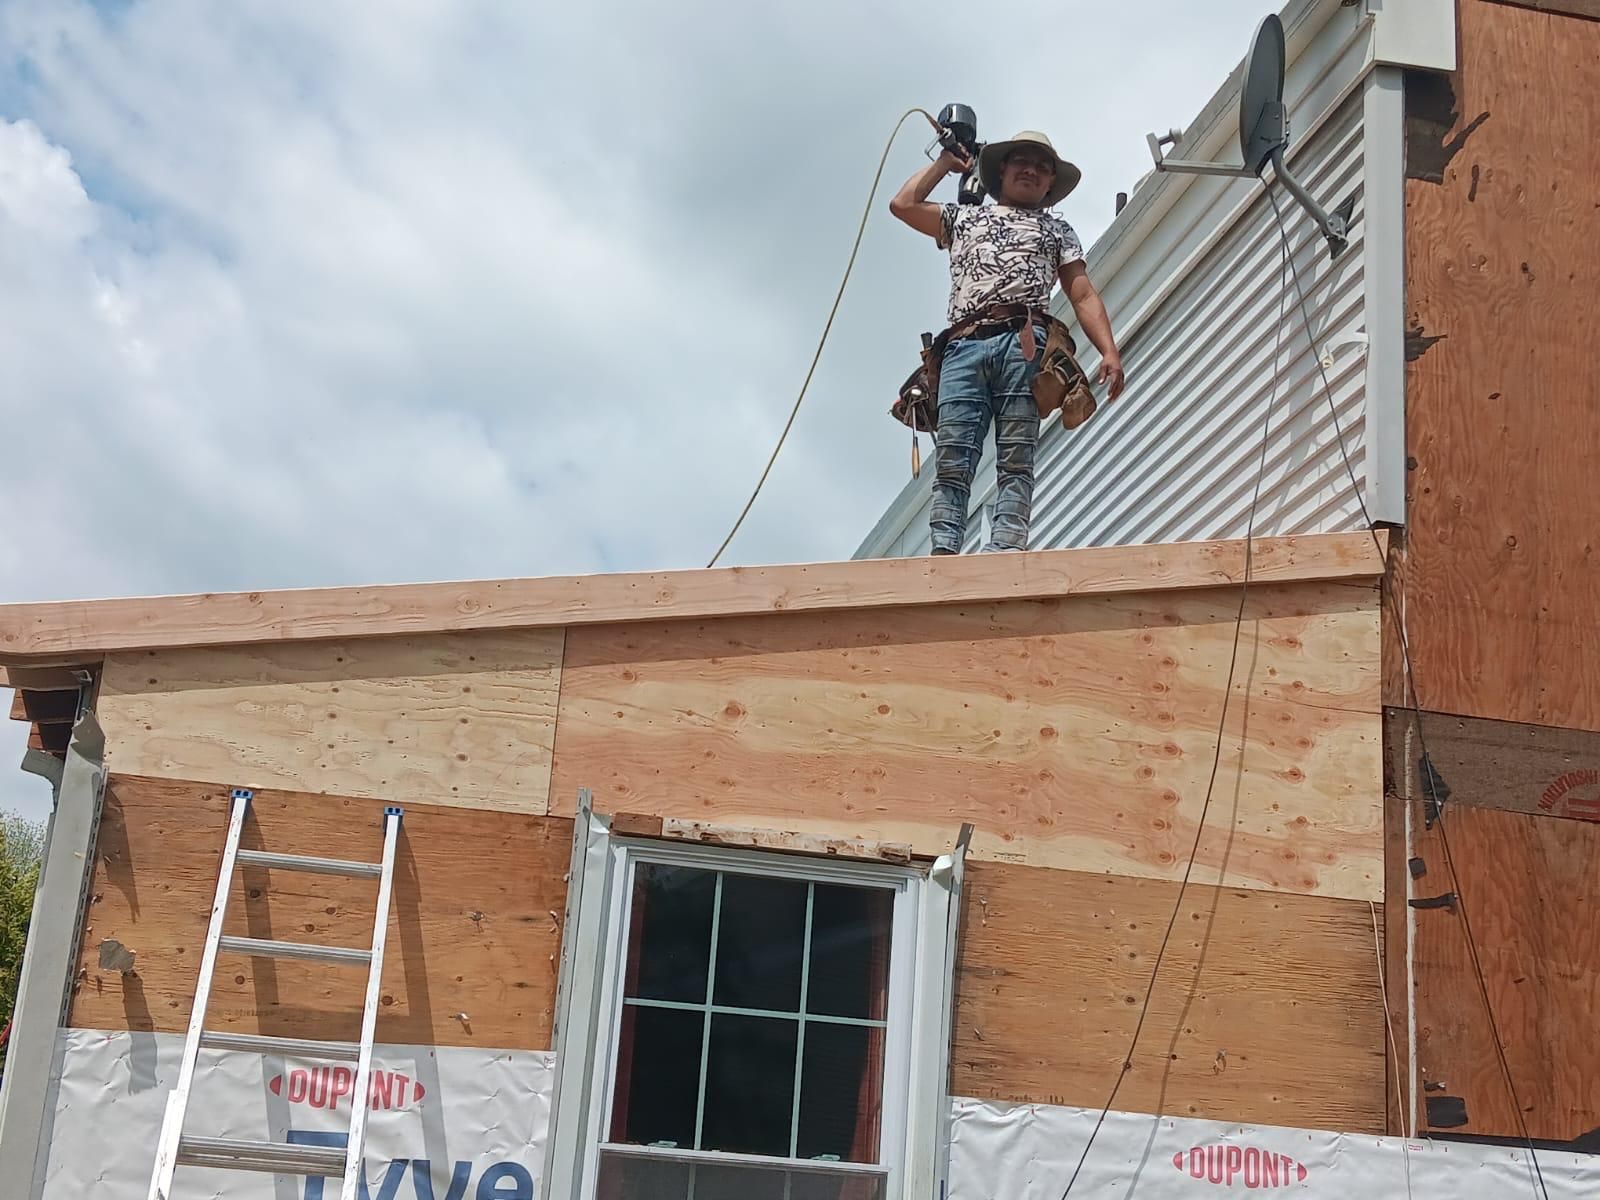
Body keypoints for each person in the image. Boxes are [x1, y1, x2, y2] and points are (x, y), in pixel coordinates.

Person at [889, 130, 1124, 554]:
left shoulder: (1058, 230)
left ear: (1050, 183)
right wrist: (945, 164)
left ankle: (1007, 549)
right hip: (962, 345)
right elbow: (903, 205)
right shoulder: (965, 218)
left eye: (1042, 167)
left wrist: (1108, 349)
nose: (1031, 170)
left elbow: (1082, 293)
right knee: (954, 456)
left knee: (1017, 455)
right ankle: (944, 552)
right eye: (1021, 161)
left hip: (1024, 341)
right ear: (1002, 170)